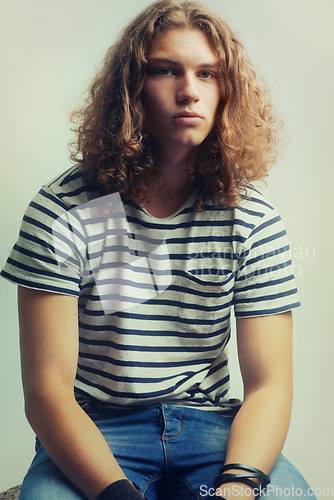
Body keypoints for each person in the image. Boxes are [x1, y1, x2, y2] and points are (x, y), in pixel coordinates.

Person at [1, 1, 316, 499]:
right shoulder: (68, 210)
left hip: (213, 430)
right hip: (98, 428)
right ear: (132, 89)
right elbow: (47, 392)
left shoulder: (250, 217)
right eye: (165, 70)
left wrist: (239, 485)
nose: (189, 90)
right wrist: (115, 493)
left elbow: (269, 386)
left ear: (226, 91)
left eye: (208, 74)